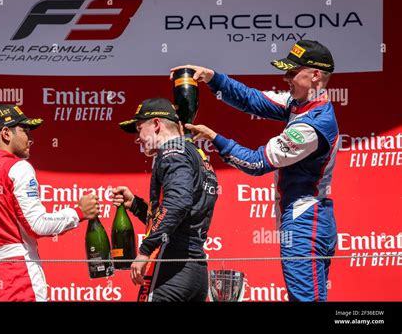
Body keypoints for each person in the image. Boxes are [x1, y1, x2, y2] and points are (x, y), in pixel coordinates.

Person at [171, 40, 338, 302]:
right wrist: (213, 78)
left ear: (315, 75)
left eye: (292, 73)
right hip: (308, 218)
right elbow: (253, 100)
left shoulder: (314, 125)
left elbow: (256, 163)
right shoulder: (301, 103)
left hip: (306, 221)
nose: (285, 78)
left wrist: (215, 138)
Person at [0, 104, 99, 301]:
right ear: (6, 133)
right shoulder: (17, 168)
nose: (31, 139)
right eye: (25, 131)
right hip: (18, 282)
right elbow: (38, 225)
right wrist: (79, 213)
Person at [113, 97, 218, 302]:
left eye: (139, 128)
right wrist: (135, 205)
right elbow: (179, 215)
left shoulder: (172, 152)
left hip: (172, 269)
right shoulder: (195, 154)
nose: (137, 138)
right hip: (195, 271)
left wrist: (145, 250)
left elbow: (178, 203)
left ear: (156, 124)